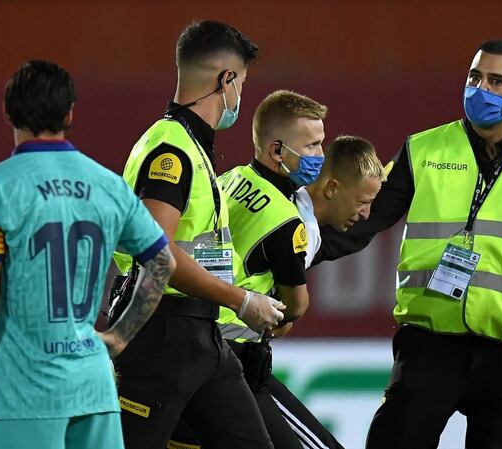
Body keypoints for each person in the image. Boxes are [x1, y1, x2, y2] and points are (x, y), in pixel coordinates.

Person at [313, 39, 502, 449]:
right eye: (475, 77)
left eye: (497, 81)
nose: (481, 90)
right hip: (429, 344)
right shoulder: (423, 149)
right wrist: (290, 255)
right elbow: (359, 223)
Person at [0, 60, 176, 449]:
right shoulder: (108, 185)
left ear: (8, 111)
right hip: (93, 384)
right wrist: (120, 337)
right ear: (70, 113)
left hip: (26, 388)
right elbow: (163, 262)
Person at [111, 21, 284, 449]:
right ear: (226, 80)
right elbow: (158, 253)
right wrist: (242, 300)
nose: (241, 96)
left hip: (202, 335)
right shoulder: (171, 150)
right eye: (241, 83)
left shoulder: (189, 144)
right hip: (160, 336)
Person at [171, 90, 347, 449]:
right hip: (234, 355)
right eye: (312, 146)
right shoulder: (284, 220)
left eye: (321, 143)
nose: (320, 156)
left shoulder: (231, 179)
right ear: (277, 151)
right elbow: (295, 305)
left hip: (195, 341)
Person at [298, 135, 384, 268]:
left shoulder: (289, 200)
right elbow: (290, 289)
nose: (365, 215)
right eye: (362, 202)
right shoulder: (305, 230)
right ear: (331, 188)